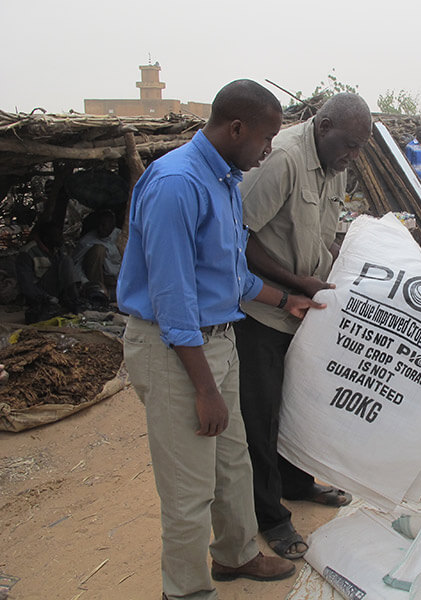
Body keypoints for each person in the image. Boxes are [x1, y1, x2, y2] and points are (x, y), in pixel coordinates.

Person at [117, 80, 321, 600]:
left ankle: (235, 555)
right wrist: (205, 388)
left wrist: (285, 299)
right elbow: (173, 301)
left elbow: (229, 277)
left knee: (233, 462)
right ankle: (184, 590)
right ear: (236, 128)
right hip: (176, 353)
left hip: (218, 340)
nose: (270, 150)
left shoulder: (225, 180)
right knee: (189, 489)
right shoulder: (176, 185)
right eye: (267, 138)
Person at [235, 93, 372, 561]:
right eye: (350, 145)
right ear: (323, 123)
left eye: (360, 149)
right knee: (261, 416)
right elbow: (239, 238)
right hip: (263, 312)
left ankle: (295, 484)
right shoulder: (284, 159)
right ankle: (269, 516)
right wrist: (298, 283)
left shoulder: (336, 165)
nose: (353, 156)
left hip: (304, 312)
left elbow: (327, 234)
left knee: (296, 404)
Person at [15, 220, 79, 323]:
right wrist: (47, 298)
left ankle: (74, 302)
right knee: (66, 262)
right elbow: (27, 286)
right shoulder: (28, 252)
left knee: (67, 261)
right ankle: (71, 302)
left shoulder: (57, 250)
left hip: (54, 293)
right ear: (46, 238)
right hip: (37, 296)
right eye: (57, 236)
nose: (61, 239)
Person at [72, 209, 121, 305]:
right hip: (96, 277)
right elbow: (76, 263)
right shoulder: (87, 240)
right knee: (98, 249)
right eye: (99, 225)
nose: (100, 228)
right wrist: (85, 282)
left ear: (112, 227)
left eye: (104, 225)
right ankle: (99, 293)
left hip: (115, 278)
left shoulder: (120, 236)